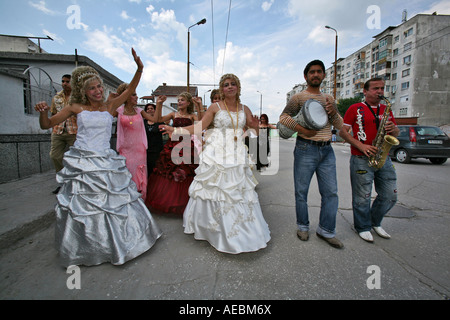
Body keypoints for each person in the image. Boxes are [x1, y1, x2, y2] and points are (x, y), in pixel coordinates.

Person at [34, 48, 162, 267]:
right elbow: (47, 125)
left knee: (114, 202)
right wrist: (42, 111)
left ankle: (120, 242)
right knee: (85, 205)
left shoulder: (110, 106)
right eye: (92, 88)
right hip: (83, 162)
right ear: (84, 91)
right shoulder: (75, 107)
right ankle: (88, 245)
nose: (97, 90)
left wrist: (139, 68)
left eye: (99, 86)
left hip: (105, 159)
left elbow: (131, 88)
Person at [160, 73, 271, 254]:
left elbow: (254, 132)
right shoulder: (215, 107)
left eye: (233, 84)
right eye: (226, 84)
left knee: (237, 190)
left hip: (236, 152)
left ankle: (240, 228)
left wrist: (257, 126)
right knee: (214, 188)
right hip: (216, 151)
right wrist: (176, 129)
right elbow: (199, 127)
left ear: (238, 87)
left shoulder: (245, 108)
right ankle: (212, 228)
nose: (229, 87)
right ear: (222, 88)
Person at [279, 60, 344, 249]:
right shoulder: (299, 97)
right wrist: (302, 130)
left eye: (319, 72)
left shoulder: (329, 98)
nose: (316, 75)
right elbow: (283, 118)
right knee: (301, 192)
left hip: (327, 150)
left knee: (331, 193)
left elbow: (339, 125)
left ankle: (326, 230)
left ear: (324, 75)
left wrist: (334, 112)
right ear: (306, 76)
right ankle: (303, 226)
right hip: (305, 148)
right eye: (312, 72)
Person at [339, 77, 399, 243]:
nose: (380, 91)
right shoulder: (355, 108)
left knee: (390, 195)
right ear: (365, 91)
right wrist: (361, 146)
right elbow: (342, 132)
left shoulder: (386, 109)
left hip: (383, 157)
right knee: (362, 197)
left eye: (382, 88)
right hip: (361, 157)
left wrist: (393, 129)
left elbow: (396, 133)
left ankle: (374, 221)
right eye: (375, 88)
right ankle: (363, 227)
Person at [145, 92, 203, 215]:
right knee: (169, 171)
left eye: (182, 100)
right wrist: (159, 104)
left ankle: (186, 203)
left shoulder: (192, 116)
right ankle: (170, 202)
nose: (179, 102)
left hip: (187, 145)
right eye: (178, 100)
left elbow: (201, 125)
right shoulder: (173, 114)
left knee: (186, 172)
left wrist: (199, 106)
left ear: (188, 103)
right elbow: (158, 120)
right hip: (173, 145)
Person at [113, 83, 164, 201]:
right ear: (125, 96)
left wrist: (159, 104)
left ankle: (140, 201)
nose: (137, 97)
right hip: (125, 149)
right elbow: (105, 113)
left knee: (139, 175)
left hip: (139, 150)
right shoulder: (118, 111)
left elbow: (155, 119)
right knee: (127, 174)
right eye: (134, 95)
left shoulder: (140, 111)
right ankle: (126, 200)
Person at [49, 74, 77, 194]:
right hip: (58, 130)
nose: (64, 84)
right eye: (63, 81)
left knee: (75, 159)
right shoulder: (57, 97)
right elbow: (53, 113)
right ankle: (62, 182)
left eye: (67, 82)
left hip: (74, 131)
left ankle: (76, 183)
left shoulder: (78, 97)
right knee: (55, 156)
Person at [144, 102, 166, 176]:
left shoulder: (160, 122)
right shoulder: (142, 122)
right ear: (146, 111)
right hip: (145, 150)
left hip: (157, 150)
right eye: (148, 109)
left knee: (156, 169)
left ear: (155, 110)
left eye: (151, 108)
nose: (150, 110)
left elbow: (165, 133)